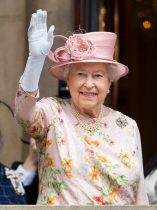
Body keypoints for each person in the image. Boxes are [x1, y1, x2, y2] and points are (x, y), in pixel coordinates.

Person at [15, 9, 148, 205]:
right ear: (68, 80)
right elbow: (24, 115)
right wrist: (35, 61)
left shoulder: (127, 126)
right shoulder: (53, 113)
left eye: (98, 76)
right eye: (80, 74)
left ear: (109, 82)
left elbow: (140, 196)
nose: (89, 83)